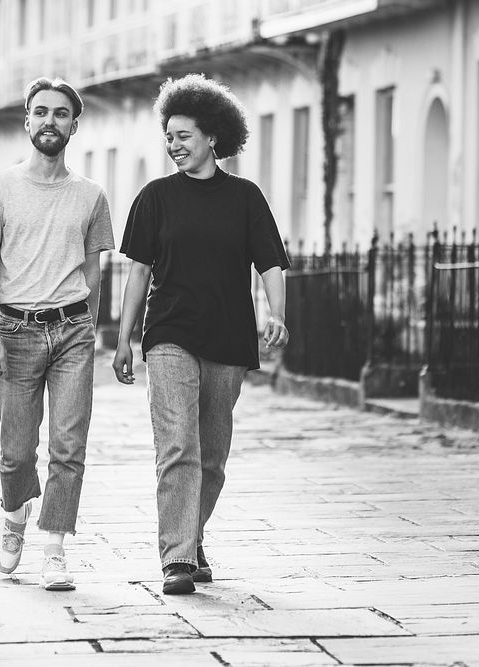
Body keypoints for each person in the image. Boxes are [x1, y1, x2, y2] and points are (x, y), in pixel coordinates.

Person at [111, 74, 290, 595]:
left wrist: (277, 313)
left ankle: (192, 537)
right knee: (178, 447)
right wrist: (124, 339)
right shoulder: (156, 197)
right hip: (169, 332)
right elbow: (138, 273)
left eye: (184, 135)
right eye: (169, 136)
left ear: (212, 136)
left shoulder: (245, 197)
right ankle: (176, 558)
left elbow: (272, 263)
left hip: (229, 338)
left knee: (211, 456)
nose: (174, 145)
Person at [0, 76, 115, 590]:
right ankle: (13, 517)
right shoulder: (0, 189)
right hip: (16, 329)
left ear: (75, 124)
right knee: (16, 451)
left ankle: (54, 545)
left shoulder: (91, 195)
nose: (50, 120)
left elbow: (95, 270)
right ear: (27, 121)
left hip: (73, 329)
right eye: (41, 111)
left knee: (69, 447)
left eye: (60, 113)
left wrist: (90, 323)